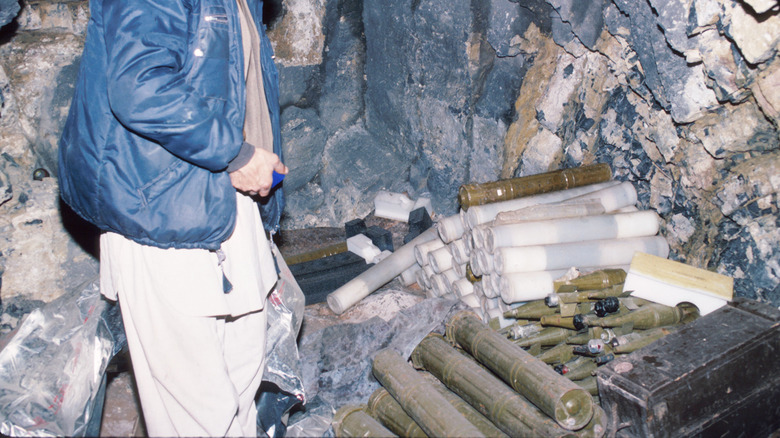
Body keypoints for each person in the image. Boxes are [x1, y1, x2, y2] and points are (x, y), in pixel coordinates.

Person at [58, 0, 287, 435]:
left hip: (228, 200)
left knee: (242, 376)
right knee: (197, 410)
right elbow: (140, 87)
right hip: (158, 208)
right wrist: (236, 155)